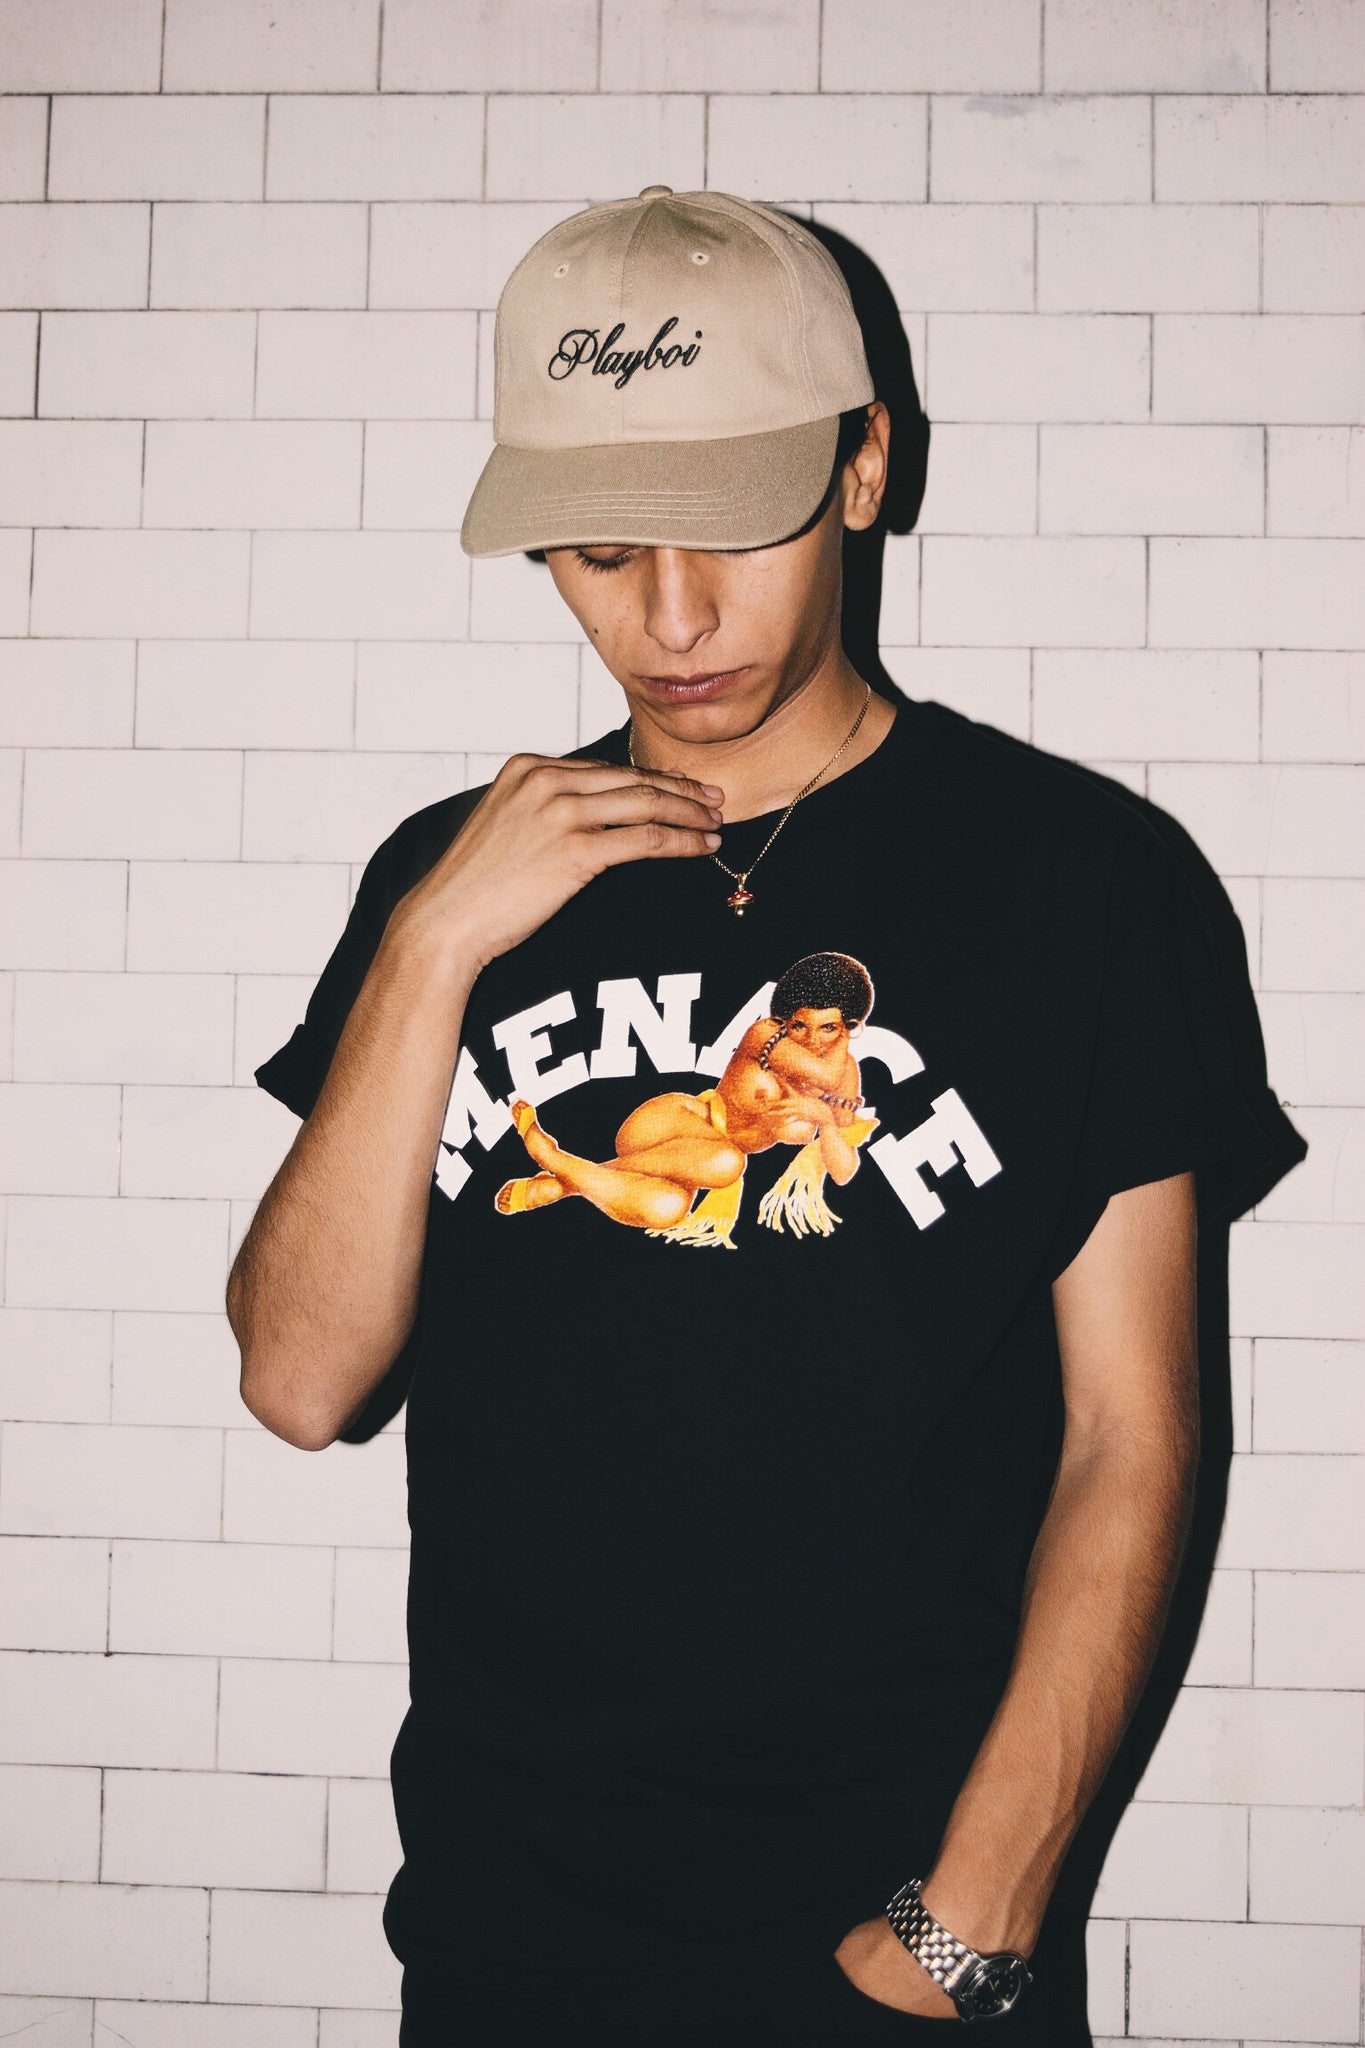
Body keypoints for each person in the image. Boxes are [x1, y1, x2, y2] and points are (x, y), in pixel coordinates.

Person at [229, 188, 1275, 2044]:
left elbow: (1132, 1437)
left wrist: (969, 1920)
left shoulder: (1080, 884)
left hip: (894, 1933)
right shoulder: (443, 881)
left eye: (732, 531)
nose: (673, 618)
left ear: (863, 467)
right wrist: (433, 944)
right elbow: (302, 1379)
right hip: (502, 1928)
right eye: (600, 551)